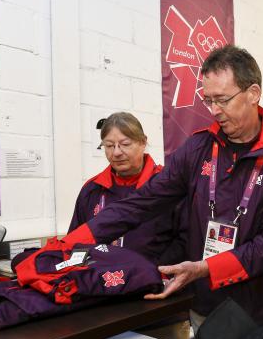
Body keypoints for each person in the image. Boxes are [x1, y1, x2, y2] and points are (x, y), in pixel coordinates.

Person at [63, 45, 263, 330]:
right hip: (203, 304)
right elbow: (144, 201)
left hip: (255, 309)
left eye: (223, 100)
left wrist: (205, 268)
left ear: (253, 93)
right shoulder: (197, 148)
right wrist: (70, 242)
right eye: (208, 100)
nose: (215, 110)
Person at [68, 112, 185, 264]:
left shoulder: (168, 186)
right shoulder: (92, 189)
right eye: (109, 145)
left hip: (152, 282)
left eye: (125, 144)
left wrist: (152, 274)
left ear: (143, 142)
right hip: (100, 281)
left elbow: (185, 241)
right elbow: (74, 243)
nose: (116, 152)